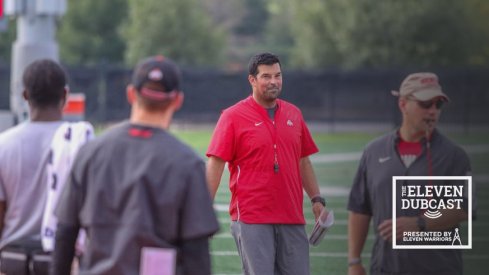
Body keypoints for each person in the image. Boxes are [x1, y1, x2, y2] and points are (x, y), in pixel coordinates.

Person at [51, 55, 220, 275]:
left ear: (131, 93)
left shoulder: (91, 153)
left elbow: (65, 233)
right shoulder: (187, 162)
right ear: (177, 100)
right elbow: (196, 253)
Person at [206, 52, 326, 275]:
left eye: (278, 76)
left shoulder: (294, 114)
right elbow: (216, 164)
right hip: (252, 218)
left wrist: (316, 198)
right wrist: (203, 208)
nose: (274, 82)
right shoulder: (232, 116)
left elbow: (304, 160)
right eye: (266, 76)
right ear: (252, 80)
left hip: (292, 216)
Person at [347, 72, 472, 275]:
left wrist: (419, 224)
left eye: (437, 105)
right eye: (425, 104)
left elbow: (463, 209)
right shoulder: (374, 151)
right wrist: (354, 262)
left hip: (440, 269)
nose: (433, 111)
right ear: (403, 104)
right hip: (385, 267)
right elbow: (360, 209)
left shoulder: (455, 156)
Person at [0, 59, 73, 274]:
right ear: (65, 95)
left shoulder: (3, 145)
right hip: (64, 263)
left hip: (12, 263)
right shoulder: (81, 144)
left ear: (25, 96)